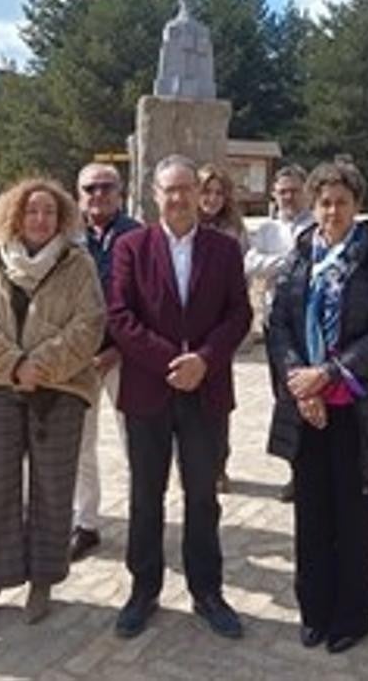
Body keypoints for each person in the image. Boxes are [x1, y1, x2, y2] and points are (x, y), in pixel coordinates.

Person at [107, 154, 252, 640]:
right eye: (169, 190)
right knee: (146, 497)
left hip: (206, 391)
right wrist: (172, 361)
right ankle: (143, 589)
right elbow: (121, 316)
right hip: (150, 389)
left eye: (186, 188)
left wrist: (204, 361)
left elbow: (239, 315)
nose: (178, 198)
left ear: (199, 193)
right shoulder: (131, 246)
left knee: (203, 497)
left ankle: (207, 591)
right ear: (154, 194)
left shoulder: (224, 250)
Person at [266, 161, 368, 654]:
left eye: (341, 202)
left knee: (356, 514)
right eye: (323, 202)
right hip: (306, 408)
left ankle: (351, 616)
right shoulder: (300, 258)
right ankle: (315, 610)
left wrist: (327, 375)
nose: (331, 211)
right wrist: (300, 386)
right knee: (312, 513)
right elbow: (278, 325)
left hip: (356, 406)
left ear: (356, 206)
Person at [0, 178, 106, 630]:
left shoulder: (78, 263)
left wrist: (40, 365)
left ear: (61, 217)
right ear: (15, 216)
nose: (39, 219)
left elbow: (91, 323)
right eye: (31, 211)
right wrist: (13, 365)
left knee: (52, 486)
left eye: (48, 212)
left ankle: (43, 579)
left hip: (59, 388)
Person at [70, 162, 140, 563]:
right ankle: (87, 522)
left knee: (135, 441)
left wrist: (118, 349)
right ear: (78, 193)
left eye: (106, 187)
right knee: (81, 442)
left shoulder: (138, 236)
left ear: (121, 191)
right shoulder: (67, 237)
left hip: (125, 355)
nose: (98, 195)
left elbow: (147, 302)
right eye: (90, 188)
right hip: (79, 358)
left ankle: (141, 520)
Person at [245, 163, 315, 503]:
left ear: (306, 191)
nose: (288, 197)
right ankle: (296, 470)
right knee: (284, 397)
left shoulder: (316, 225)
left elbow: (314, 261)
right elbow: (251, 264)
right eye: (282, 191)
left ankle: (313, 468)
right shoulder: (267, 229)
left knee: (312, 392)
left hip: (311, 322)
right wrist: (289, 260)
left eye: (294, 190)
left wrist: (276, 263)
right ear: (274, 194)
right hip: (277, 321)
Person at [195, 162, 248, 493]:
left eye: (219, 192)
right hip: (185, 323)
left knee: (217, 402)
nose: (213, 198)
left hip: (219, 325)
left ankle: (218, 465)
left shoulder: (233, 230)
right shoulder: (181, 225)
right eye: (207, 191)